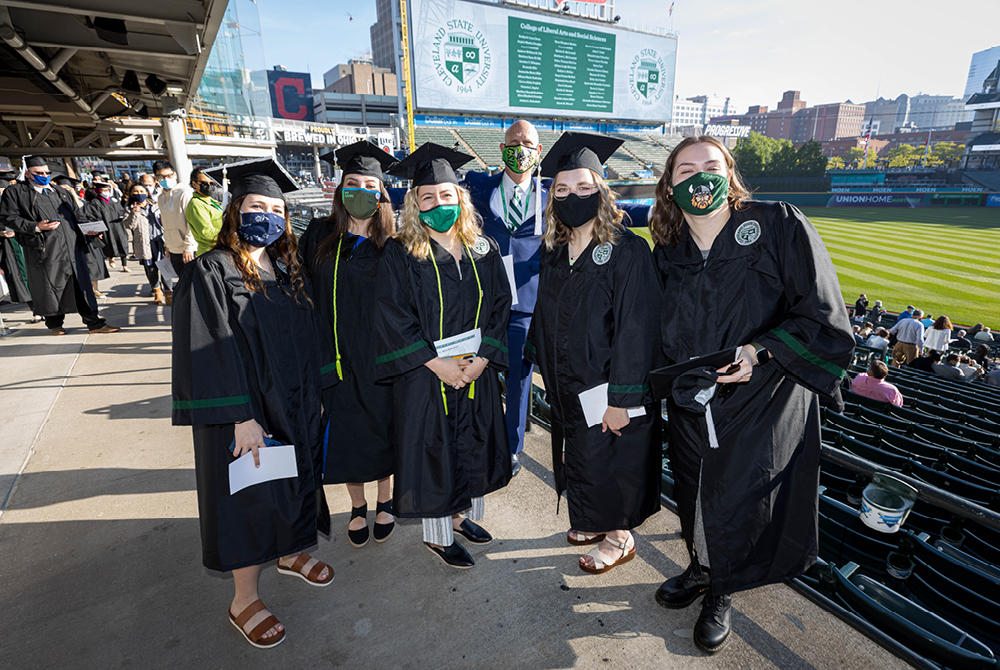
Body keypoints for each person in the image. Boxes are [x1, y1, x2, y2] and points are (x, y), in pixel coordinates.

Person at [648, 136, 854, 655]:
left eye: (710, 166)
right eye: (685, 169)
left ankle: (724, 588)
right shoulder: (668, 249)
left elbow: (820, 312)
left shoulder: (777, 225)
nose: (699, 176)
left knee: (738, 494)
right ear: (670, 185)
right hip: (694, 397)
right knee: (695, 486)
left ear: (729, 173)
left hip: (761, 398)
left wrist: (758, 352)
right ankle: (701, 566)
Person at [171, 158, 335, 650]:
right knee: (248, 497)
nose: (267, 215)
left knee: (296, 477)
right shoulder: (210, 271)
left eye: (276, 208)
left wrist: (318, 395)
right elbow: (207, 346)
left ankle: (290, 553)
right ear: (234, 211)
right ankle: (244, 598)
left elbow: (307, 336)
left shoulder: (286, 268)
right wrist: (240, 415)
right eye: (255, 206)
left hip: (295, 402)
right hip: (247, 410)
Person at [462, 120, 652, 476]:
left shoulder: (555, 191)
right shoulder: (478, 186)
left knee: (520, 384)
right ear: (502, 148)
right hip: (486, 305)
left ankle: (512, 449)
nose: (520, 148)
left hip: (530, 308)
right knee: (481, 378)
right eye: (513, 142)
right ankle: (479, 443)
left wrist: (657, 211)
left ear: (538, 152)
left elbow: (613, 203)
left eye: (528, 143)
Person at [524, 132, 662, 576]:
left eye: (584, 188)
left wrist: (623, 398)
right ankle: (592, 520)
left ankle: (619, 537)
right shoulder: (554, 253)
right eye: (561, 190)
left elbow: (637, 330)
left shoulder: (628, 251)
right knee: (579, 454)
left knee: (610, 460)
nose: (572, 196)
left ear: (602, 191)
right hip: (570, 383)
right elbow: (543, 319)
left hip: (610, 385)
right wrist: (543, 367)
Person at [375, 143, 512, 569]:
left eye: (447, 195)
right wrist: (437, 363)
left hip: (474, 372)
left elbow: (500, 307)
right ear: (415, 204)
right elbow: (391, 315)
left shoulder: (483, 249)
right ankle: (437, 535)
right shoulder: (401, 253)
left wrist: (483, 360)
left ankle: (460, 517)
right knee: (432, 453)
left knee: (471, 444)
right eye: (428, 197)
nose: (438, 203)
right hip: (425, 374)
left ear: (460, 198)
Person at [298, 141, 399, 548]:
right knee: (347, 437)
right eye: (351, 183)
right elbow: (302, 295)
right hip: (333, 360)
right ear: (339, 189)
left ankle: (386, 499)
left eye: (369, 184)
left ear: (382, 194)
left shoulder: (394, 243)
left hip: (379, 361)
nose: (360, 190)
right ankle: (358, 505)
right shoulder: (320, 235)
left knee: (382, 433)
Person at [0, 156, 118, 335]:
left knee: (81, 285)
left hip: (72, 247)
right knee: (49, 286)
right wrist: (35, 226)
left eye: (47, 172)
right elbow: (8, 217)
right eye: (39, 173)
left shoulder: (59, 191)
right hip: (44, 248)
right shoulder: (16, 192)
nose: (44, 176)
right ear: (27, 173)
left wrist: (90, 229)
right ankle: (55, 324)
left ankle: (94, 323)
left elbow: (78, 215)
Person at [56, 175, 108, 298]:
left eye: (68, 188)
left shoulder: (83, 203)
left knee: (92, 264)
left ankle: (95, 289)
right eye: (62, 188)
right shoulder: (55, 204)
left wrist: (96, 231)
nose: (65, 191)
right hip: (67, 239)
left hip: (86, 238)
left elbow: (93, 218)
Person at [122, 182, 172, 305]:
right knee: (151, 270)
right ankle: (157, 292)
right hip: (145, 243)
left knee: (166, 267)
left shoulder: (156, 205)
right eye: (136, 192)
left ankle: (169, 293)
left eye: (141, 191)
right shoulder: (129, 209)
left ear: (146, 192)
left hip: (161, 241)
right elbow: (129, 225)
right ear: (131, 194)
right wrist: (135, 212)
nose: (139, 194)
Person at [153, 160, 196, 278]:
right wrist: (167, 246)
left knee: (193, 284)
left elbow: (191, 222)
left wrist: (189, 247)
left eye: (169, 175)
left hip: (188, 249)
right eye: (161, 176)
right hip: (173, 249)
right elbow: (166, 224)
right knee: (183, 283)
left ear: (175, 174)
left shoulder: (185, 193)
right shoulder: (161, 198)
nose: (166, 179)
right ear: (156, 178)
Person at [0, 177, 33, 311]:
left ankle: (38, 307)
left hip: (22, 242)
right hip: (6, 247)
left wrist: (16, 230)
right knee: (16, 275)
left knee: (29, 273)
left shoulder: (18, 201)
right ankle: (33, 307)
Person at [84, 178, 130, 273]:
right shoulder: (94, 203)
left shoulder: (114, 200)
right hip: (106, 228)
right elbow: (92, 217)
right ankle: (110, 258)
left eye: (107, 190)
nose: (105, 192)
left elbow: (121, 210)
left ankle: (124, 265)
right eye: (103, 190)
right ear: (98, 191)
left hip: (118, 226)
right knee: (109, 245)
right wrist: (98, 231)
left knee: (122, 243)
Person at [185, 168, 223, 256]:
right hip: (210, 253)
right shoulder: (196, 204)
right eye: (204, 183)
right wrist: (229, 234)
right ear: (194, 184)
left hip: (219, 250)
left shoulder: (212, 201)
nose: (209, 186)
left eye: (212, 183)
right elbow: (206, 233)